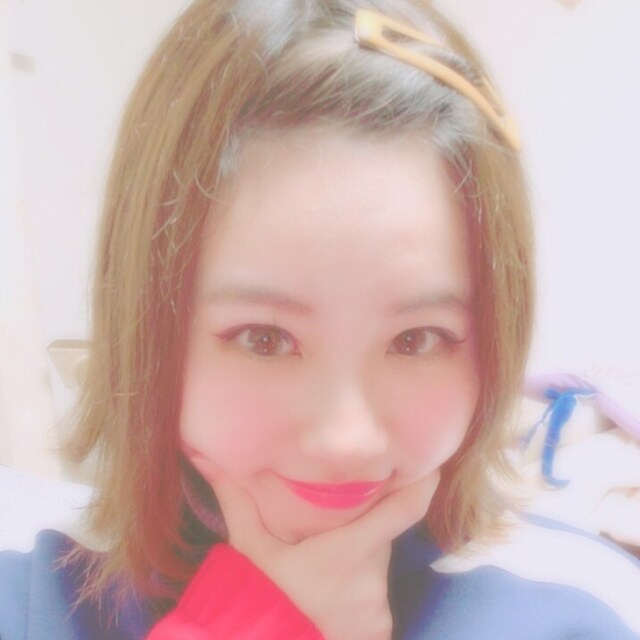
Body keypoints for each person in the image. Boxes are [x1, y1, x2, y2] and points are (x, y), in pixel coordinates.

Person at [1, 1, 639, 639]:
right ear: (148, 329)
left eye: (417, 339)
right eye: (264, 339)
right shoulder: (26, 590)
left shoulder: (586, 608)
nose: (346, 442)